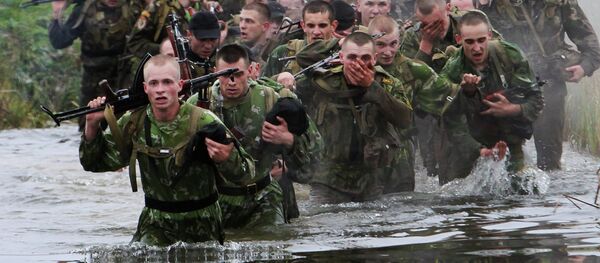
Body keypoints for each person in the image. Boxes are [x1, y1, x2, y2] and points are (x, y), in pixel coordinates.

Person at [79, 54, 256, 245]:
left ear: (180, 85)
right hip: (155, 222)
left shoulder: (204, 120)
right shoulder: (133, 122)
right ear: (146, 88)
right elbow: (94, 164)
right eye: (154, 83)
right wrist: (92, 126)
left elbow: (246, 173)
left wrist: (225, 158)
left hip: (203, 222)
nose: (160, 90)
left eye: (167, 82)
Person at [188, 44, 322, 224]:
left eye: (238, 74)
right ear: (215, 72)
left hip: (263, 196)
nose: (232, 81)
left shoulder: (272, 98)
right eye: (225, 75)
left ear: (250, 70)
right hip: (217, 198)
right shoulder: (197, 104)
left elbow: (315, 151)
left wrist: (288, 140)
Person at [478, 0, 600, 171]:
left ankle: (550, 197)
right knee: (502, 164)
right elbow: (472, 39)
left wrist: (584, 67)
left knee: (549, 163)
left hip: (548, 87)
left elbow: (592, 46)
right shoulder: (490, 3)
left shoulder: (559, 3)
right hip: (506, 89)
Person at [298, 31, 412, 203]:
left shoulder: (387, 82)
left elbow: (405, 119)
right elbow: (303, 57)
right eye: (352, 57)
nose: (359, 64)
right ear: (341, 57)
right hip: (327, 179)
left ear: (374, 59)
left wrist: (371, 87)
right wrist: (337, 42)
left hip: (371, 178)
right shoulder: (324, 81)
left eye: (365, 58)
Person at [440, 10, 543, 173]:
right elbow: (451, 122)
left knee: (522, 189)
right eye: (470, 42)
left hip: (509, 138)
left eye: (481, 40)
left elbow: (536, 100)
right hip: (470, 143)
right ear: (459, 40)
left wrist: (513, 109)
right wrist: (466, 94)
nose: (477, 48)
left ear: (489, 35)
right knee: (460, 194)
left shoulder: (510, 56)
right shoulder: (451, 71)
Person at [368, 15, 457, 192]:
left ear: (399, 41)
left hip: (400, 153)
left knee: (401, 206)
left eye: (393, 44)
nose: (387, 52)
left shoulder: (413, 69)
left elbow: (451, 94)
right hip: (365, 152)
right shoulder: (356, 66)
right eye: (381, 45)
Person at [48, 0, 133, 130]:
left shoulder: (134, 5)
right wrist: (57, 13)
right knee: (88, 127)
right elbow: (60, 41)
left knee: (128, 125)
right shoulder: (85, 9)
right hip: (93, 80)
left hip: (125, 75)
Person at [262, 0, 338, 78]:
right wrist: (278, 79)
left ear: (333, 26)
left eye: (322, 25)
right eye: (311, 26)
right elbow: (262, 85)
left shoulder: (343, 55)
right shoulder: (283, 53)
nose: (316, 32)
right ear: (303, 26)